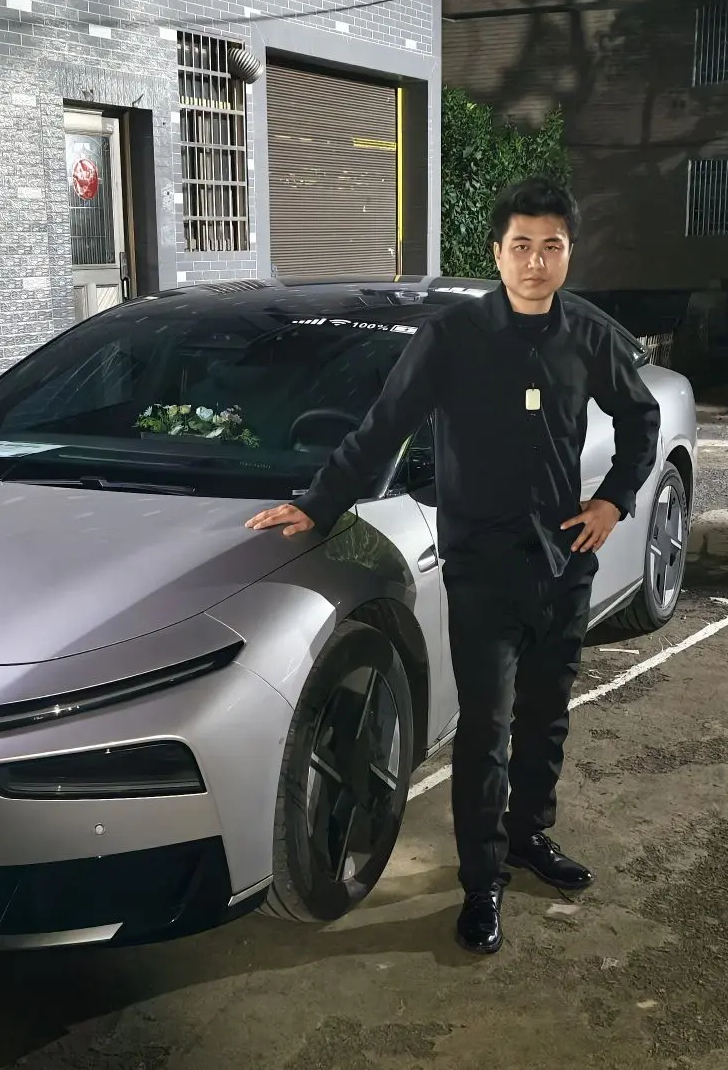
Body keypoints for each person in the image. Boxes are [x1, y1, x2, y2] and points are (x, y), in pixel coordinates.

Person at [247, 175, 661, 957]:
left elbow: (640, 418)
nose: (535, 261)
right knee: (487, 729)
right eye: (521, 246)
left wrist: (612, 500)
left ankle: (529, 836)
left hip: (564, 559)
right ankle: (481, 884)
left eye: (551, 246)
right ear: (497, 253)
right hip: (481, 567)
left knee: (546, 717)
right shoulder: (453, 337)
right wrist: (319, 504)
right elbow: (382, 427)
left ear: (569, 253)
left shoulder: (587, 336)